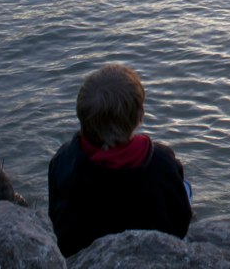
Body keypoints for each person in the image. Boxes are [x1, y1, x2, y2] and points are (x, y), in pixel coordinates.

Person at [48, 63, 192, 256]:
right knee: (184, 188)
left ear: (81, 115)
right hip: (154, 253)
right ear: (139, 115)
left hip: (80, 254)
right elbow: (181, 222)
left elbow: (56, 216)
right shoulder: (161, 161)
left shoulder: (63, 161)